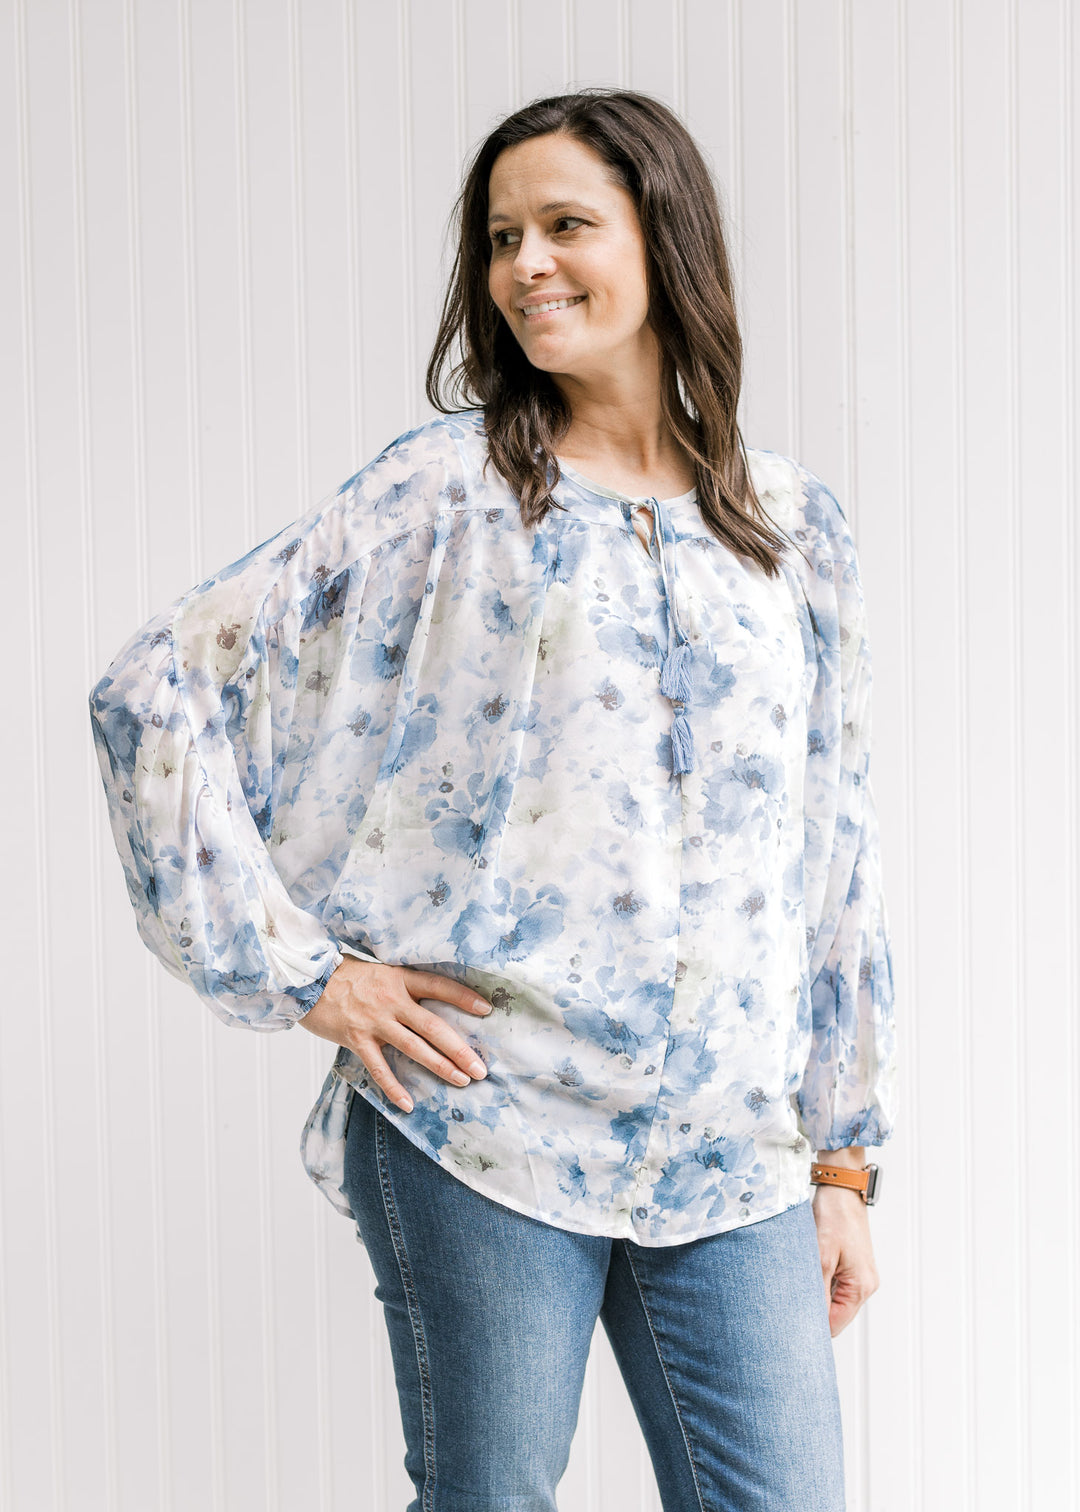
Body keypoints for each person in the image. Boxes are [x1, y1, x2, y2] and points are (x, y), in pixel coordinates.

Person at [90, 86, 897, 1512]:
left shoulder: (791, 527)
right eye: (501, 237)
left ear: (666, 239)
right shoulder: (445, 495)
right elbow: (155, 690)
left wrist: (845, 1158)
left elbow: (832, 853)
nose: (525, 265)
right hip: (488, 1122)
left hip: (734, 1155)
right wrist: (310, 977)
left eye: (566, 225)